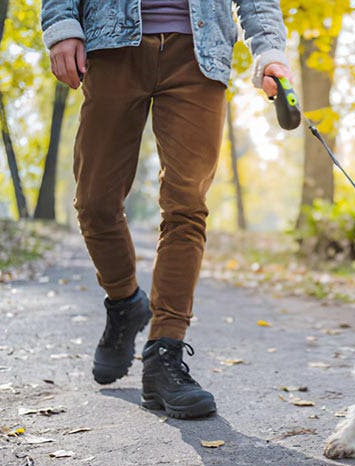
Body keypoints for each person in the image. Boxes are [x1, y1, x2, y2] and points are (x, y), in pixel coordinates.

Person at [40, 0, 293, 419]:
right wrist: (62, 23)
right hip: (112, 43)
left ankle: (165, 352)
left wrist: (270, 51)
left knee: (186, 206)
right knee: (95, 202)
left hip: (200, 52)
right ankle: (124, 303)